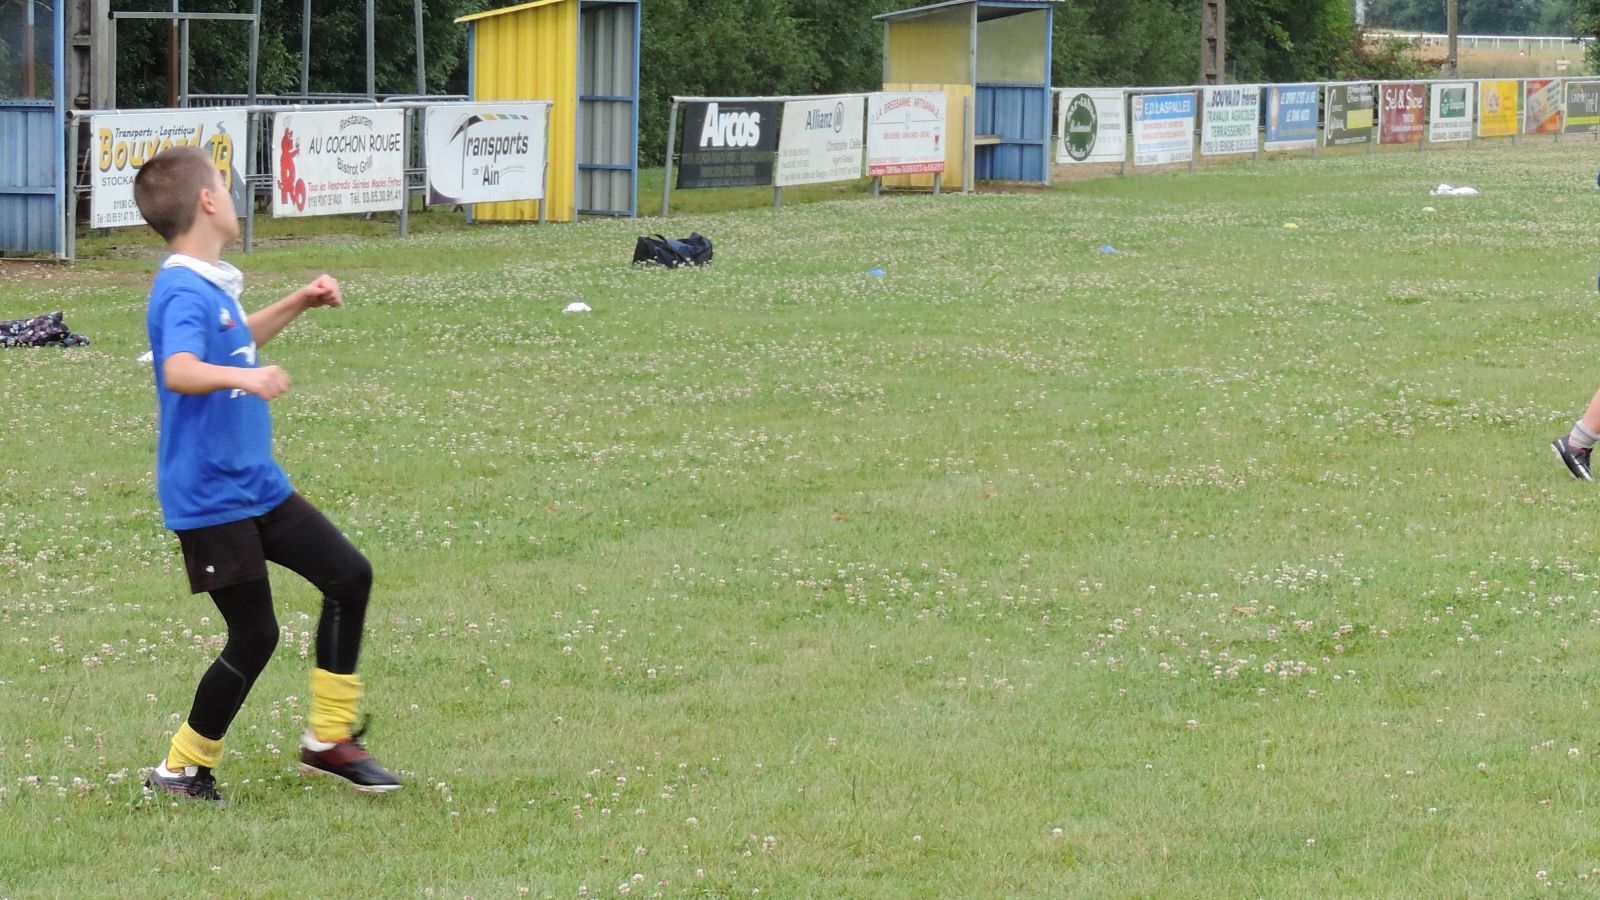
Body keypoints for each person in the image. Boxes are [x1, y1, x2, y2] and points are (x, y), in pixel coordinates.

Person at [134, 145, 400, 804]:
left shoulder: (209, 284)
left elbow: (236, 340)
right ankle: (182, 768)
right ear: (206, 201)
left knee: (350, 576)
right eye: (222, 184)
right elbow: (180, 369)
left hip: (255, 483)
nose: (230, 193)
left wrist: (298, 302)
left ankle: (328, 740)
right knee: (255, 635)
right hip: (210, 495)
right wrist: (245, 377)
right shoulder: (179, 289)